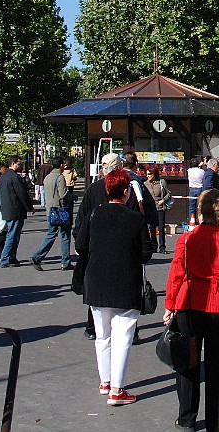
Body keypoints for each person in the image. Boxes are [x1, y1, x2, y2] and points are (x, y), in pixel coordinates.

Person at [164, 189, 219, 431]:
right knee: (217, 368)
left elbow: (176, 274)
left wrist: (170, 305)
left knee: (188, 363)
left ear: (200, 212)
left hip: (190, 304)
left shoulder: (187, 240)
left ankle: (187, 416)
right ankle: (216, 422)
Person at [76, 168, 152, 406]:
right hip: (126, 282)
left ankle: (105, 381)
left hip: (96, 281)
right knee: (124, 335)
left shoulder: (94, 215)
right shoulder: (136, 219)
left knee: (103, 336)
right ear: (126, 191)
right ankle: (117, 389)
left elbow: (80, 244)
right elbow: (146, 253)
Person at [74, 153, 158, 340]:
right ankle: (130, 332)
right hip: (127, 253)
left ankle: (92, 327)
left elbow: (81, 219)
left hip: (96, 251)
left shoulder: (93, 190)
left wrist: (79, 243)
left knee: (97, 293)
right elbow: (148, 214)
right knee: (127, 297)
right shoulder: (132, 186)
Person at [31, 158, 73, 270]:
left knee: (51, 234)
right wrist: (72, 197)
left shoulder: (47, 177)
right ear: (60, 165)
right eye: (63, 164)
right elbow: (63, 194)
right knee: (65, 235)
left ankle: (38, 256)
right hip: (60, 210)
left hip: (50, 210)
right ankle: (65, 261)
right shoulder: (60, 178)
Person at [0, 156, 34, 268]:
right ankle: (5, 258)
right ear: (12, 164)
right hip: (15, 209)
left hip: (7, 209)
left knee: (13, 234)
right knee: (13, 235)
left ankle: (11, 257)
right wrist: (29, 207)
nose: (20, 166)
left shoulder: (3, 177)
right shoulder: (14, 177)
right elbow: (21, 193)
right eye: (19, 164)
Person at [143, 165, 171, 253]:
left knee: (161, 227)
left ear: (154, 174)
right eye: (147, 174)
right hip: (150, 208)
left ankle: (162, 246)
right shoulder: (145, 184)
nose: (148, 176)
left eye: (149, 174)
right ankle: (154, 245)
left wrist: (163, 200)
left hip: (160, 207)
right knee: (152, 227)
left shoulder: (161, 182)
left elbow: (168, 193)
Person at [187, 158, 206, 222]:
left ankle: (191, 221)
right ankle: (200, 221)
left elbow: (189, 169)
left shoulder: (189, 171)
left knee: (191, 207)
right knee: (200, 206)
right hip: (199, 188)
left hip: (192, 189)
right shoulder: (202, 171)